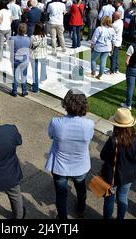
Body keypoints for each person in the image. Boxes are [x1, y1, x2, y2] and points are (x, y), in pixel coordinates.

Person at [45, 90, 94, 219]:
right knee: (81, 189)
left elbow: (50, 135)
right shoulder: (89, 124)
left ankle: (62, 218)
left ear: (66, 103)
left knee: (61, 195)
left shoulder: (56, 122)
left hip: (60, 167)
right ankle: (81, 209)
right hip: (80, 165)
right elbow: (88, 140)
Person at [101, 108, 136, 219]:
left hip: (112, 176)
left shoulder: (113, 140)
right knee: (123, 197)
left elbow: (103, 156)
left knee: (109, 199)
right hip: (129, 174)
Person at [9, 24, 31, 97]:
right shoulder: (29, 39)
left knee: (15, 76)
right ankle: (24, 91)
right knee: (24, 76)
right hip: (25, 61)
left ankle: (14, 91)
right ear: (25, 31)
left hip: (15, 60)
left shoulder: (12, 38)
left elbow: (10, 45)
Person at [30, 23, 48, 93]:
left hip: (35, 55)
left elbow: (30, 46)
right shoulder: (45, 36)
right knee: (43, 67)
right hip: (43, 54)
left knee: (35, 71)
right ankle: (43, 79)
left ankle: (35, 87)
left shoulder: (33, 37)